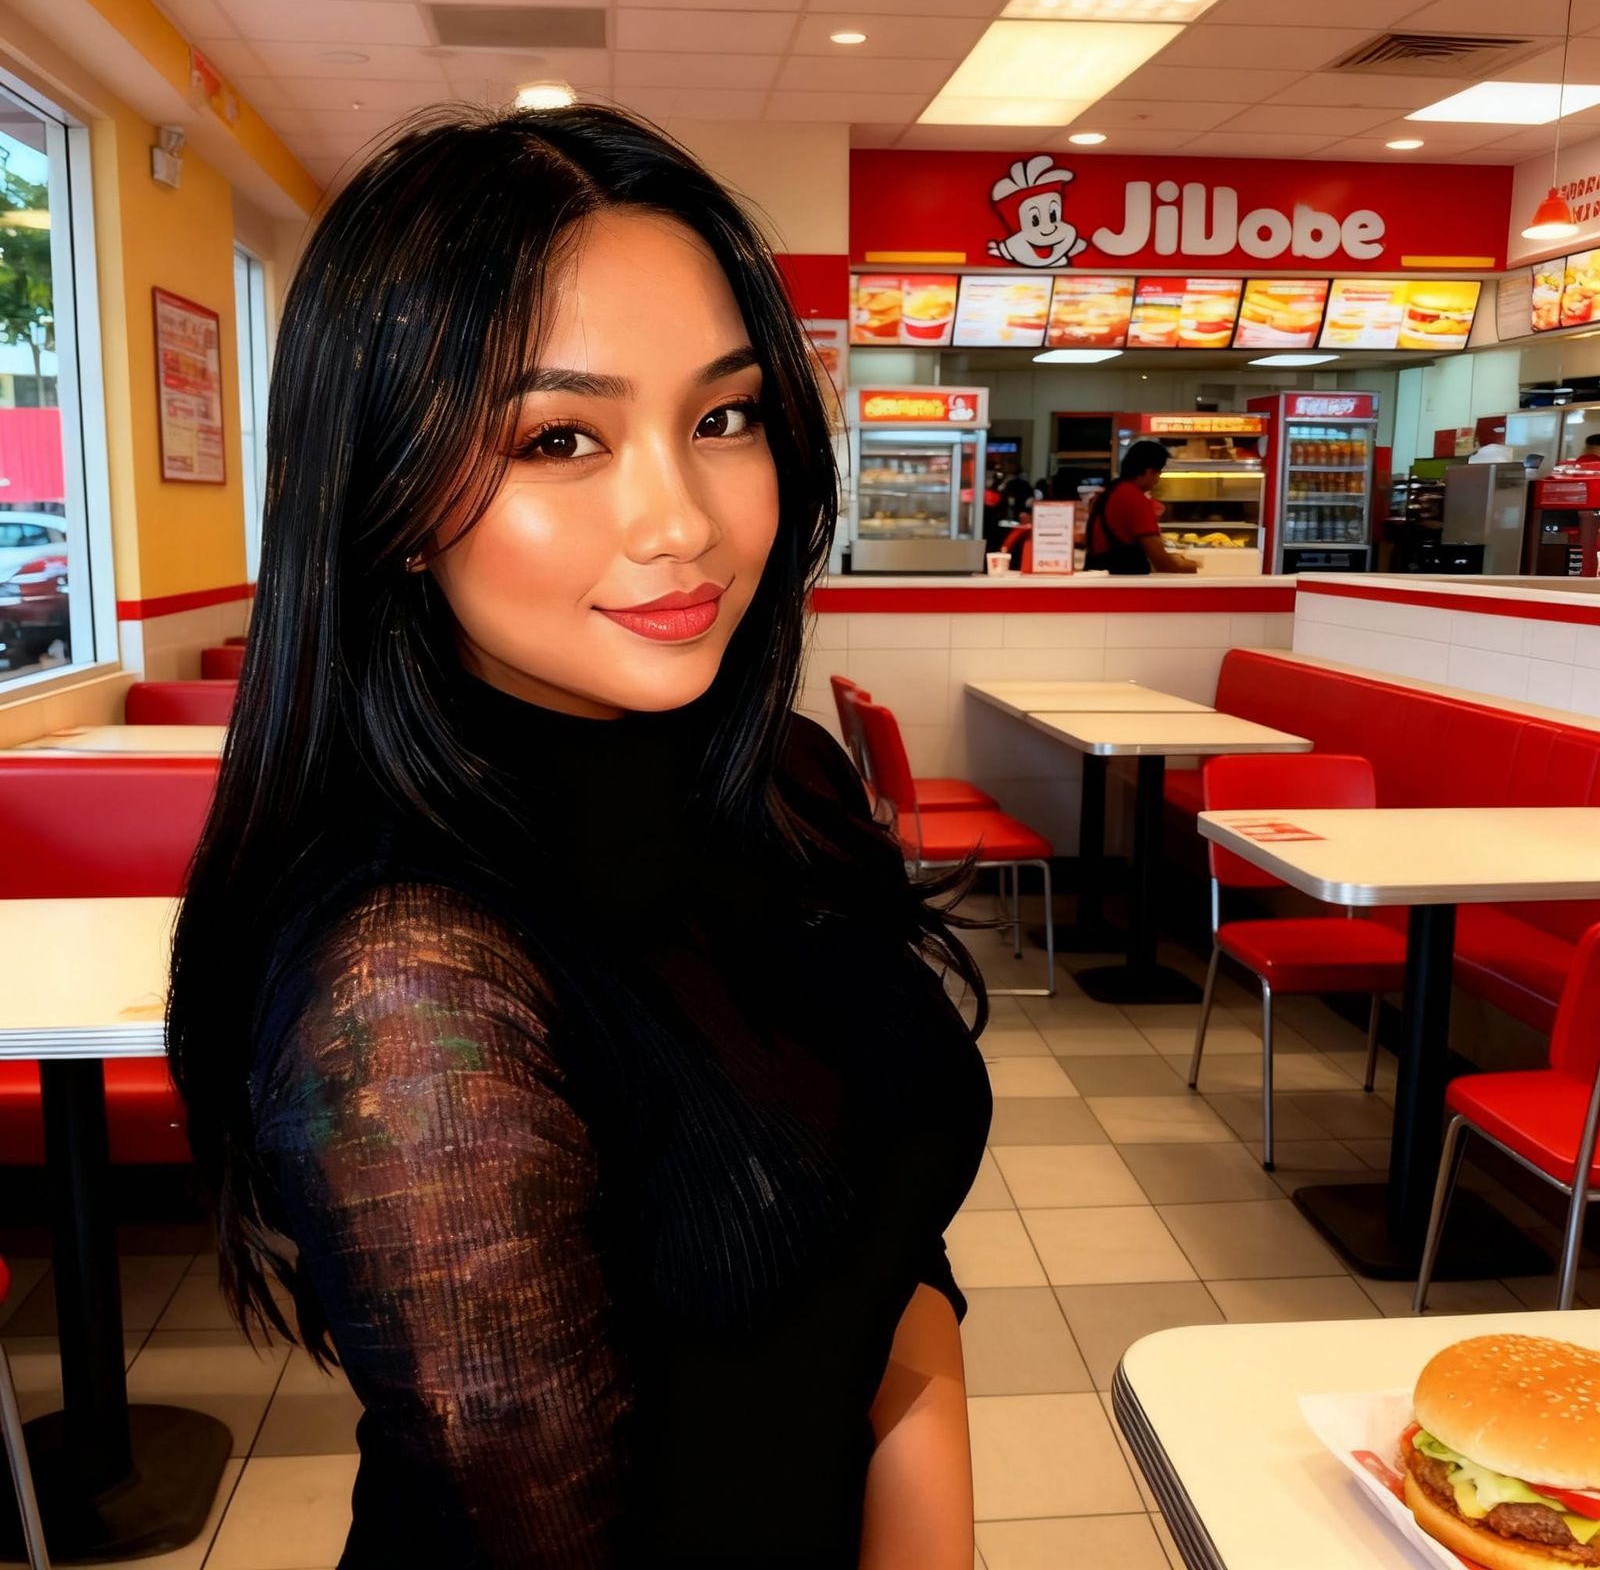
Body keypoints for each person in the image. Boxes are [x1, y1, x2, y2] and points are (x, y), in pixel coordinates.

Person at [164, 105, 990, 1569]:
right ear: (394, 500)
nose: (682, 520)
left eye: (723, 417)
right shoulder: (414, 993)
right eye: (560, 437)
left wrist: (926, 1493)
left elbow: (883, 1232)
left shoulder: (780, 778)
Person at [1083, 439, 1198, 574]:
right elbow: (1164, 565)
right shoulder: (1135, 499)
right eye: (1159, 472)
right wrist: (1195, 567)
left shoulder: (1108, 492)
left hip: (1100, 582)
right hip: (1124, 587)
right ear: (1149, 471)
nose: (1158, 479)